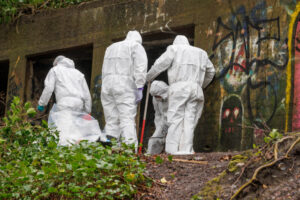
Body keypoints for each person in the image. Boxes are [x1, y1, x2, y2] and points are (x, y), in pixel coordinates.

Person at [146, 35, 215, 155]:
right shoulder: (201, 53)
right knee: (190, 120)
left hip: (179, 88)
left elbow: (159, 65)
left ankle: (172, 149)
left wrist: (147, 78)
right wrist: (201, 85)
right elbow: (211, 71)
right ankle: (186, 149)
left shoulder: (174, 49)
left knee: (175, 119)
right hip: (196, 89)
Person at [38, 56, 106, 146]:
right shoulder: (78, 73)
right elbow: (86, 95)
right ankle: (86, 143)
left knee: (63, 131)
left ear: (56, 63)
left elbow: (49, 88)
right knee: (77, 128)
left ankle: (65, 149)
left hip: (64, 103)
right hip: (79, 104)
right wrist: (87, 112)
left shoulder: (55, 70)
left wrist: (42, 103)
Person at [101, 30, 148, 148]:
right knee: (126, 119)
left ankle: (109, 150)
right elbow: (140, 68)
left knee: (111, 120)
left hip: (107, 86)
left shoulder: (110, 47)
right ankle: (130, 150)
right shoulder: (136, 46)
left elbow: (104, 68)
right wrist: (140, 87)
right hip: (124, 86)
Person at [147, 81, 169, 155]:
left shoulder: (173, 96)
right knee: (153, 140)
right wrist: (158, 127)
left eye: (158, 96)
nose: (157, 98)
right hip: (163, 123)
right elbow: (158, 114)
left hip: (174, 123)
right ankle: (150, 156)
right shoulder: (155, 99)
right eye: (155, 96)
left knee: (171, 143)